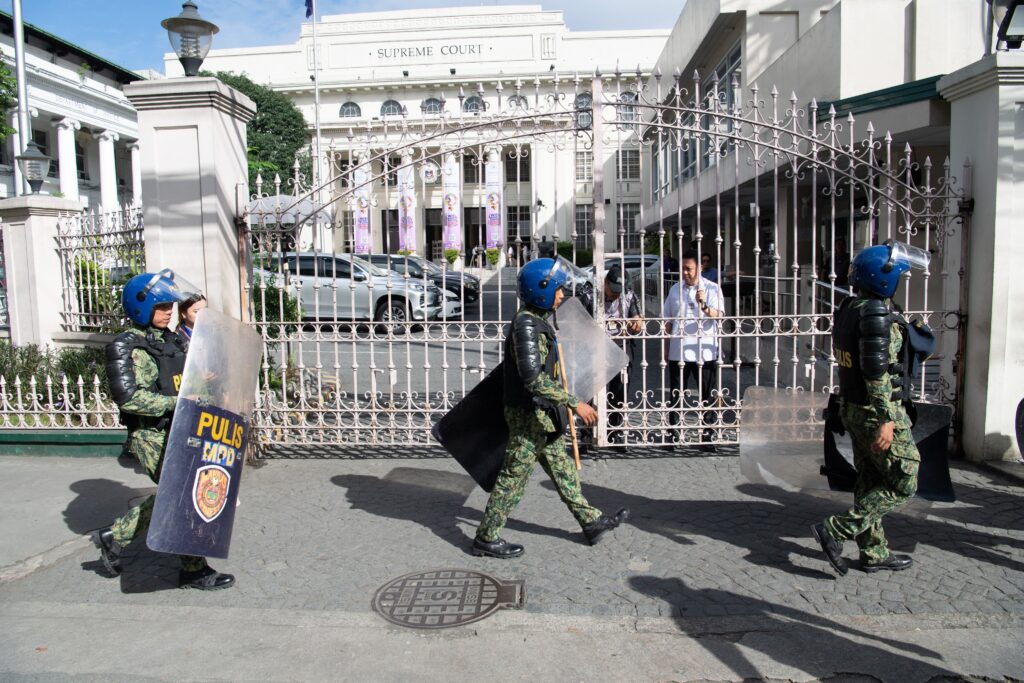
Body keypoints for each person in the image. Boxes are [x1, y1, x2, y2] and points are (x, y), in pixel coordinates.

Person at [473, 257, 630, 558]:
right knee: (512, 479)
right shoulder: (525, 326)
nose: (561, 295)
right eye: (557, 290)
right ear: (540, 290)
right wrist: (575, 403)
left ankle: (591, 521)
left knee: (563, 470)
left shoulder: (538, 320)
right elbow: (532, 379)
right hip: (528, 416)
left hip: (542, 416)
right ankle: (486, 537)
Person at [94, 271, 234, 590]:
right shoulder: (129, 347)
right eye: (161, 306)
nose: (169, 312)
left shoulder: (168, 340)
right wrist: (177, 402)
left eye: (170, 306)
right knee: (185, 495)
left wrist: (203, 382)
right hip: (150, 435)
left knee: (180, 494)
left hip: (179, 427)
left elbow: (180, 381)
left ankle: (116, 537)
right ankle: (193, 570)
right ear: (141, 307)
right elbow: (130, 398)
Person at [812, 242, 926, 576]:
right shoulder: (877, 317)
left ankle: (874, 552)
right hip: (876, 412)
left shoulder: (852, 308)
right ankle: (835, 529)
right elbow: (876, 374)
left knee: (870, 479)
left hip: (853, 408)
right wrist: (886, 420)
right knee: (904, 481)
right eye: (898, 277)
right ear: (883, 280)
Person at [662, 249, 723, 450]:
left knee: (707, 394)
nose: (685, 272)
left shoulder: (712, 288)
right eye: (683, 269)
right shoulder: (675, 290)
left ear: (699, 268)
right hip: (678, 351)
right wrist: (665, 347)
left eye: (689, 269)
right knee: (676, 394)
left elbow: (719, 315)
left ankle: (707, 435)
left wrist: (704, 306)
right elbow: (667, 321)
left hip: (704, 351)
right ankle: (673, 434)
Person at [603, 264, 642, 450]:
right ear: (605, 283)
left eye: (619, 291)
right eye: (613, 291)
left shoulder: (629, 295)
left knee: (619, 392)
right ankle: (588, 432)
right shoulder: (590, 294)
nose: (616, 295)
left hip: (621, 347)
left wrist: (636, 324)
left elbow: (638, 320)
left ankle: (615, 432)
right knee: (594, 393)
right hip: (596, 347)